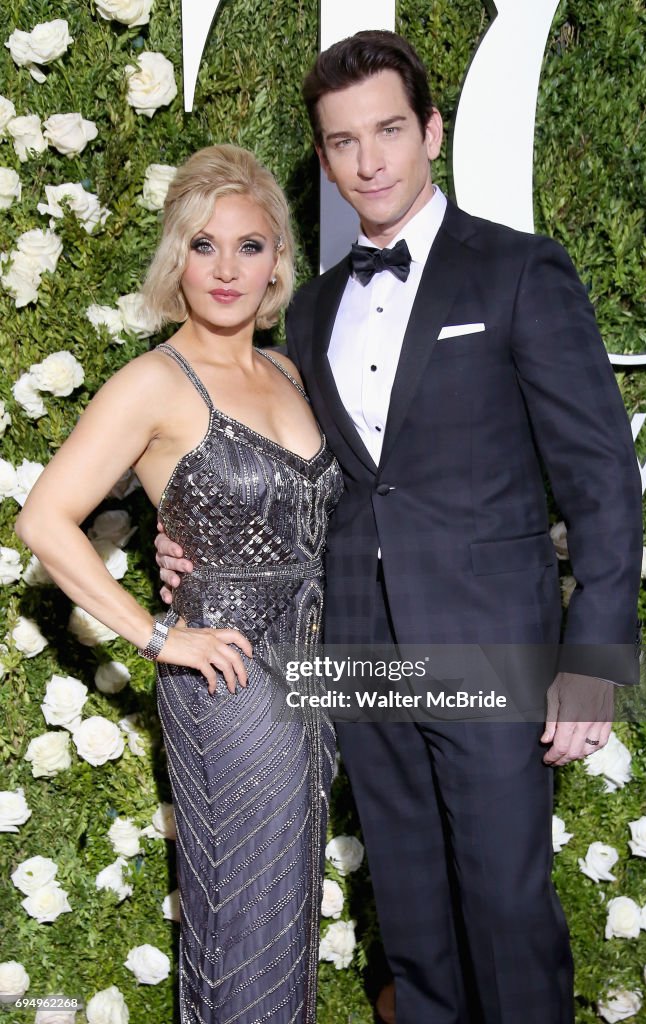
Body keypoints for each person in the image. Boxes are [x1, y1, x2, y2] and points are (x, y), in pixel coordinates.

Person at [156, 33, 643, 1024]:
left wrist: (590, 658)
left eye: (386, 131)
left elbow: (599, 479)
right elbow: (292, 471)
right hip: (359, 654)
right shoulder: (310, 310)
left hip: (488, 646)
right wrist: (194, 539)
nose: (368, 160)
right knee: (412, 919)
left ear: (429, 131)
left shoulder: (517, 272)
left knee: (506, 912)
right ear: (325, 159)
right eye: (342, 142)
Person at [16, 144, 342, 1024]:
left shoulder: (289, 371)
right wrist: (161, 635)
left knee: (285, 914)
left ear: (278, 259)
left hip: (315, 672)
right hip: (228, 679)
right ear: (176, 258)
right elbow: (43, 520)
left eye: (250, 245)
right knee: (242, 916)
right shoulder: (153, 382)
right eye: (204, 246)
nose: (227, 269)